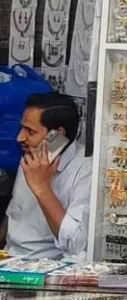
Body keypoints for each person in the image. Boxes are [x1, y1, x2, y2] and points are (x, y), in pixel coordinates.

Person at [1, 93, 91, 259]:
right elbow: (13, 214)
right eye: (22, 128)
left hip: (49, 266)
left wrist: (41, 188)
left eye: (30, 131)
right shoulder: (31, 154)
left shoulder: (86, 170)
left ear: (57, 135)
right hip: (10, 259)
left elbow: (78, 245)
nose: (20, 137)